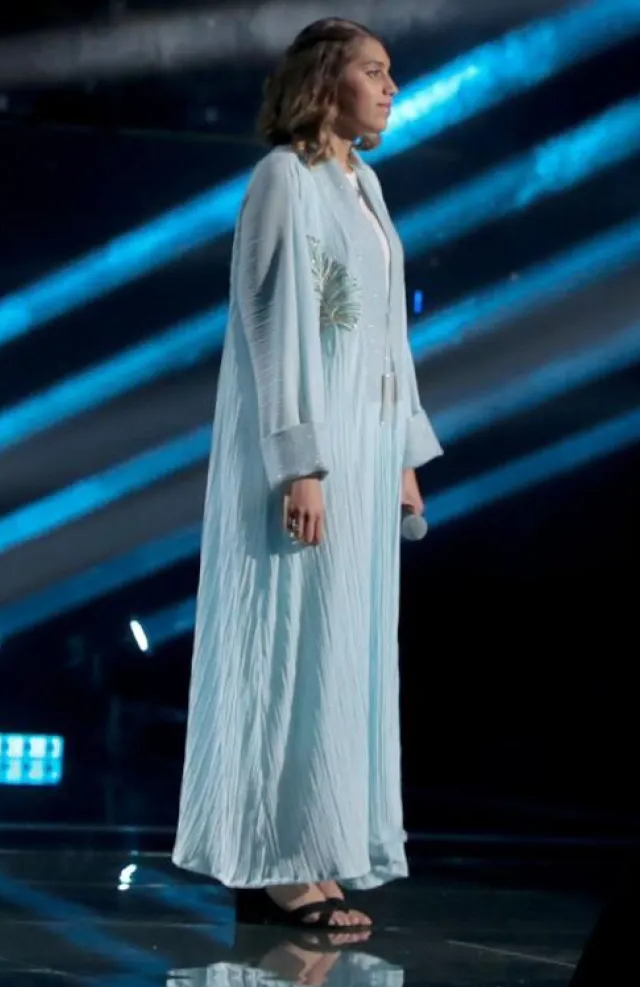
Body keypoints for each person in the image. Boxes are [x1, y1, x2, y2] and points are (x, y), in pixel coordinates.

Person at [172, 17, 443, 930]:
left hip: (364, 453)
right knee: (287, 640)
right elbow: (271, 325)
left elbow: (387, 334)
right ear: (327, 83)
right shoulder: (282, 180)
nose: (391, 87)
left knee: (342, 644)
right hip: (310, 457)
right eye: (375, 71)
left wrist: (403, 452)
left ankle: (319, 847)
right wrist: (301, 463)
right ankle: (273, 858)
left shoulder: (364, 186)